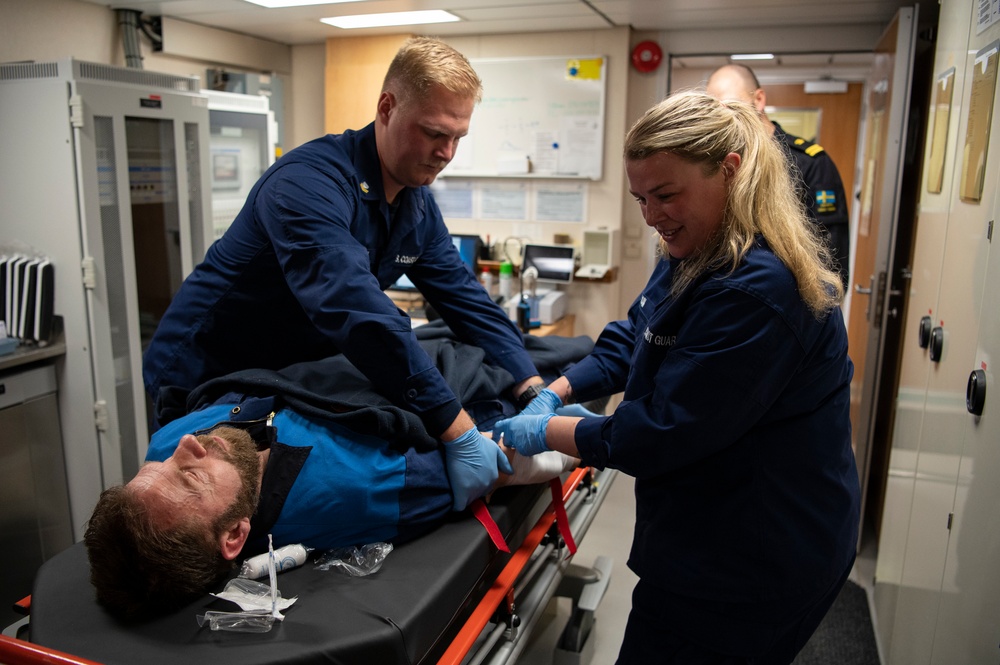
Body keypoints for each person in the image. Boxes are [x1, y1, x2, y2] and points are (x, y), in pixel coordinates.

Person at [492, 91, 861, 664]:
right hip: (724, 534)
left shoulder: (758, 288)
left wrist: (552, 433)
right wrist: (555, 393)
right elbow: (634, 334)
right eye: (641, 197)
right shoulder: (698, 248)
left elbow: (662, 432)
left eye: (665, 194)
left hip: (753, 559)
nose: (650, 214)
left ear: (730, 171)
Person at [142, 37, 548, 512]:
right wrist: (456, 430)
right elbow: (356, 309)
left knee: (271, 501)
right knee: (197, 510)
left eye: (459, 137)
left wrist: (531, 385)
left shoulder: (416, 206)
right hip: (207, 373)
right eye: (435, 133)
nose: (447, 152)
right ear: (386, 107)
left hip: (288, 372)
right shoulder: (308, 183)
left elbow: (465, 298)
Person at [87, 325, 588, 617]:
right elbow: (493, 459)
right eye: (191, 478)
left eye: (157, 468)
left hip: (391, 346)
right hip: (454, 371)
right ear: (236, 536)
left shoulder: (166, 444)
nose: (189, 446)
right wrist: (569, 432)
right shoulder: (358, 487)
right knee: (577, 354)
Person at [706, 63, 851, 289]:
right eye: (712, 109)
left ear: (759, 100)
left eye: (728, 105)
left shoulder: (810, 163)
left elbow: (832, 264)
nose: (719, 117)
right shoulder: (717, 163)